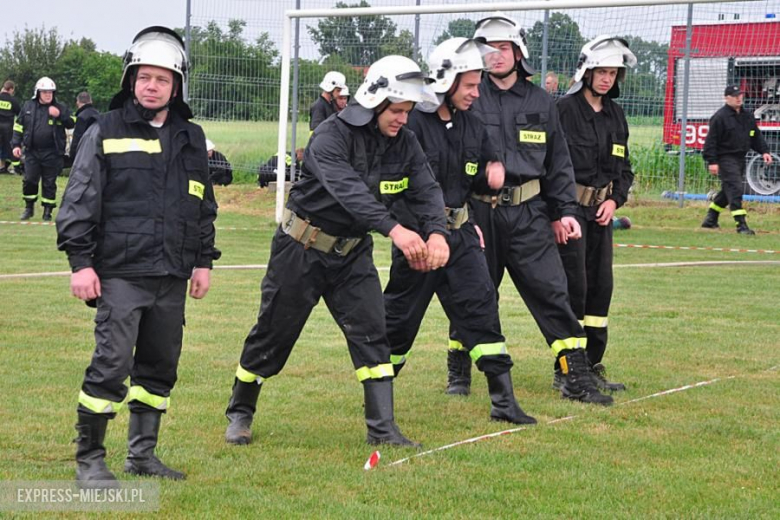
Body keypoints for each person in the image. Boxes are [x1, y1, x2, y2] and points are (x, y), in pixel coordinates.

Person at [223, 55, 449, 448]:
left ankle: (382, 428)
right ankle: (240, 411)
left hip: (352, 254)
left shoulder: (406, 141)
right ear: (375, 101)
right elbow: (351, 194)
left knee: (372, 331)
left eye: (408, 111)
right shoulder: (329, 137)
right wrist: (397, 230)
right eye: (397, 110)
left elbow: (426, 189)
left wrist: (437, 233)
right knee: (273, 334)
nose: (403, 119)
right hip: (301, 248)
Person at [56, 26, 220, 488]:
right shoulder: (104, 129)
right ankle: (90, 460)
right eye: (144, 77)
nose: (152, 86)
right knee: (111, 365)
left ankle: (142, 456)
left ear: (177, 86)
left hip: (171, 274)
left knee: (158, 368)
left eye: (162, 79)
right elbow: (79, 200)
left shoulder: (192, 135)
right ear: (131, 80)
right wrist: (80, 264)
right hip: (121, 273)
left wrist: (203, 262)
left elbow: (202, 204)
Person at [461, 12, 612, 405]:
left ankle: (573, 376)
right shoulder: (469, 98)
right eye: (488, 49)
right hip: (479, 214)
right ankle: (458, 368)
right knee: (475, 293)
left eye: (503, 48)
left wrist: (564, 212)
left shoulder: (542, 102)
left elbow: (559, 163)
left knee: (552, 292)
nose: (495, 56)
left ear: (518, 52)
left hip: (529, 214)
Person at [383, 38, 536, 424]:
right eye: (469, 85)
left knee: (483, 309)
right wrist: (405, 234)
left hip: (461, 237)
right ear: (445, 80)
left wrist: (493, 175)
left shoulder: (472, 125)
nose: (476, 92)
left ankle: (504, 402)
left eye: (478, 83)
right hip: (419, 242)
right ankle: (379, 408)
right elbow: (394, 188)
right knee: (398, 324)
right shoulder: (411, 123)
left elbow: (478, 179)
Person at [555, 36, 637, 393]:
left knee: (600, 289)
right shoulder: (563, 110)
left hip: (602, 215)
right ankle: (567, 369)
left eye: (613, 73)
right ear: (585, 72)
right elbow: (550, 166)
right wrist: (558, 213)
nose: (607, 79)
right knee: (575, 288)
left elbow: (625, 168)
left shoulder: (616, 115)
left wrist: (614, 201)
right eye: (601, 71)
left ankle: (592, 363)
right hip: (571, 213)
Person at [701, 84, 773, 234]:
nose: (739, 98)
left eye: (740, 95)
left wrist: (764, 151)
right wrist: (712, 161)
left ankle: (711, 219)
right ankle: (741, 225)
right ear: (726, 98)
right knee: (735, 189)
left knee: (728, 190)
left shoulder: (747, 116)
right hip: (725, 158)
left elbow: (755, 136)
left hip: (740, 158)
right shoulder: (720, 117)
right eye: (735, 96)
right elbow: (710, 142)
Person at [11, 77, 74, 221]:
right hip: (32, 151)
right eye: (45, 92)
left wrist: (60, 115)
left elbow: (72, 122)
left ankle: (47, 212)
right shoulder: (28, 107)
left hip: (52, 152)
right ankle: (29, 208)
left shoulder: (59, 107)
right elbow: (18, 127)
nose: (48, 95)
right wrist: (15, 145)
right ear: (38, 93)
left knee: (49, 183)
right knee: (30, 180)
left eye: (51, 92)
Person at [68, 91, 100, 163]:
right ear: (91, 101)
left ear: (78, 102)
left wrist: (72, 155)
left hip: (84, 153)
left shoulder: (81, 117)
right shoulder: (99, 115)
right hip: (97, 151)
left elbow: (77, 137)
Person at [0, 80, 21, 174]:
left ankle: (2, 166)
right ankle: (16, 168)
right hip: (8, 128)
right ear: (11, 89)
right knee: (9, 147)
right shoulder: (13, 100)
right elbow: (20, 114)